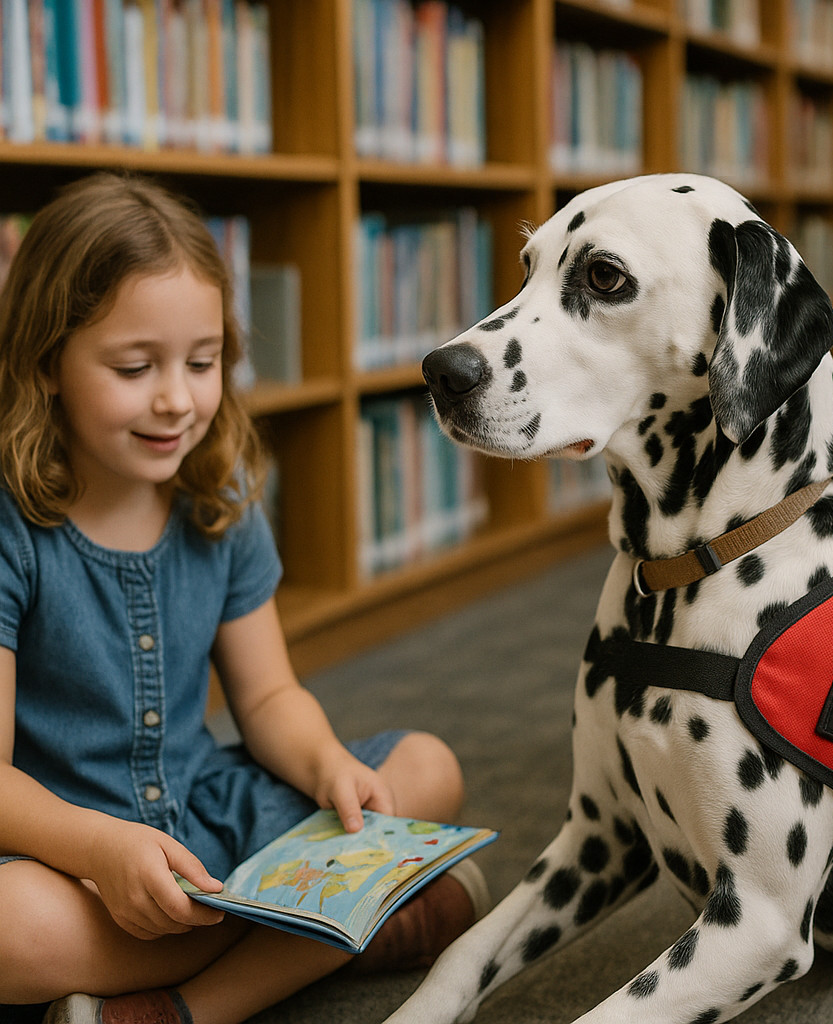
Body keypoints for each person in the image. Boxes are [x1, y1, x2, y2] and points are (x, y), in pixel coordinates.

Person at [0, 173, 487, 1024]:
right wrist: (100, 847)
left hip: (206, 811)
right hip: (67, 850)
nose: (177, 399)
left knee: (425, 769)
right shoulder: (11, 526)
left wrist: (326, 762)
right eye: (134, 367)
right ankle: (363, 924)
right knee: (12, 928)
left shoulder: (218, 494)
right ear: (46, 363)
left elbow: (266, 699)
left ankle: (185, 1007)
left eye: (202, 362)